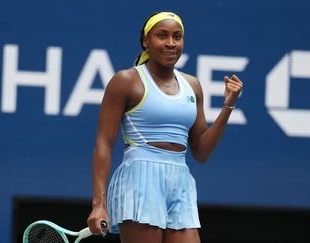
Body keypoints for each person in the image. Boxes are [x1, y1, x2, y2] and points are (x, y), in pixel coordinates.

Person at [87, 11, 243, 243]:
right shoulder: (126, 81)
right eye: (162, 36)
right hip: (139, 180)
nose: (171, 43)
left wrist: (227, 107)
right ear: (145, 41)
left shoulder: (193, 85)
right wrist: (98, 205)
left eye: (177, 36)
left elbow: (201, 152)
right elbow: (103, 143)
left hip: (180, 181)